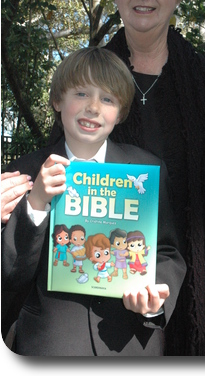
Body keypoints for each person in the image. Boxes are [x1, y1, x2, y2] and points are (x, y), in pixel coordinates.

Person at [1, 0, 205, 355]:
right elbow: (57, 170)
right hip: (89, 301)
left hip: (184, 287)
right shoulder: (89, 77)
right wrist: (16, 202)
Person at [1, 47, 186, 356]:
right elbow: (9, 274)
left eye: (108, 99)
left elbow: (167, 251)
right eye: (82, 93)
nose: (94, 108)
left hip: (129, 344)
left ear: (121, 112)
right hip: (49, 344)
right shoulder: (23, 174)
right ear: (58, 100)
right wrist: (35, 205)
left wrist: (155, 297)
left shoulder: (146, 171)